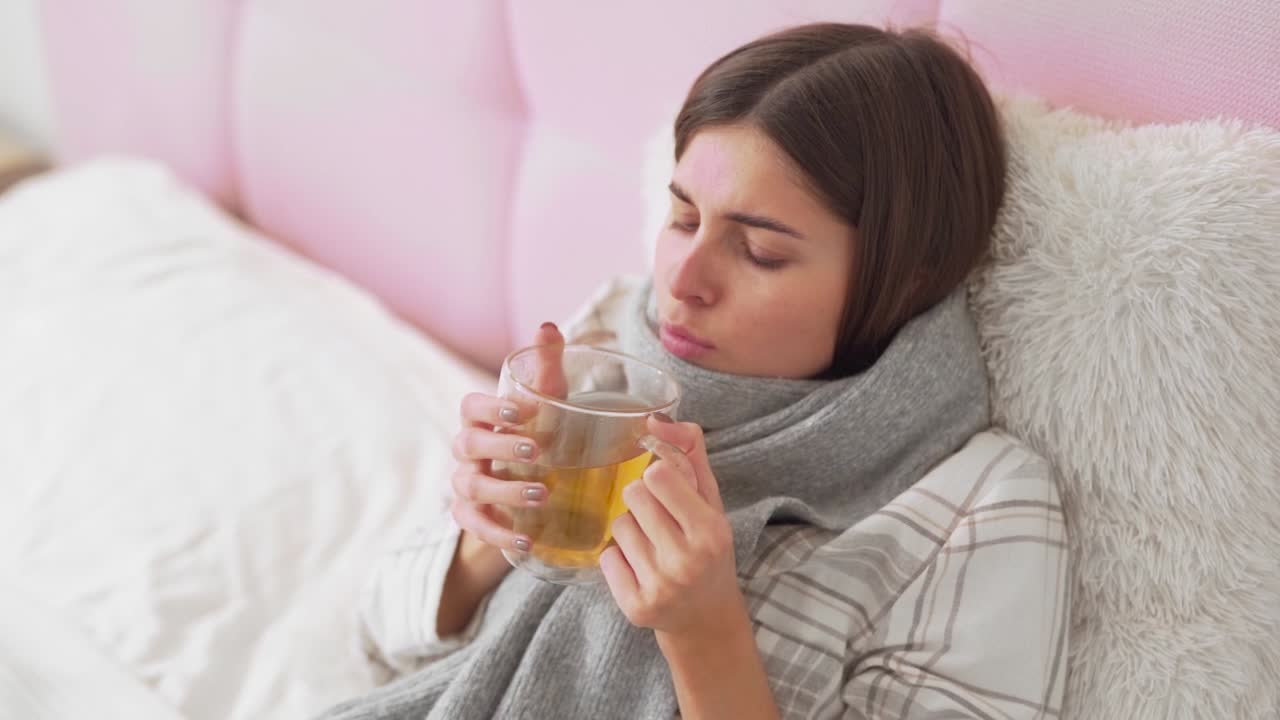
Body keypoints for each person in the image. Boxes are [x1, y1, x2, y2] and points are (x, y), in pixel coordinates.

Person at [325, 22, 1068, 720]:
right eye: (683, 218)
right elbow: (377, 636)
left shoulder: (979, 506)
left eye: (761, 252)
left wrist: (705, 632)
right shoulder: (609, 345)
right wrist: (498, 533)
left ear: (905, 277)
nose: (684, 280)